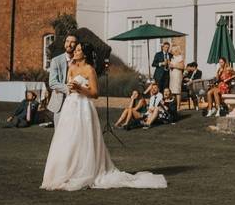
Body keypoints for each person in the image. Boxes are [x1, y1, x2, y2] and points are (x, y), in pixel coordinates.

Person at [41, 41, 166, 190]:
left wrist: (80, 88)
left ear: (85, 54)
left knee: (82, 139)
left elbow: (94, 94)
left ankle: (83, 171)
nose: (75, 51)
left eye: (79, 50)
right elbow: (69, 87)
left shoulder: (89, 70)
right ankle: (65, 172)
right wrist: (70, 88)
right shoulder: (71, 67)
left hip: (83, 107)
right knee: (67, 138)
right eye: (75, 49)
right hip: (70, 105)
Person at [47, 32, 77, 125]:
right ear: (64, 43)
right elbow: (52, 82)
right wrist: (68, 89)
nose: (69, 44)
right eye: (67, 41)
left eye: (72, 42)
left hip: (76, 103)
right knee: (59, 133)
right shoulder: (56, 60)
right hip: (59, 103)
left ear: (76, 45)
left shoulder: (80, 62)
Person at [168, 43, 185, 108]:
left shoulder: (180, 57)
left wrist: (174, 66)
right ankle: (173, 105)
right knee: (172, 90)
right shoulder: (172, 57)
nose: (172, 51)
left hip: (177, 75)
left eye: (173, 50)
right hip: (172, 75)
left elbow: (182, 66)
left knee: (177, 91)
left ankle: (178, 106)